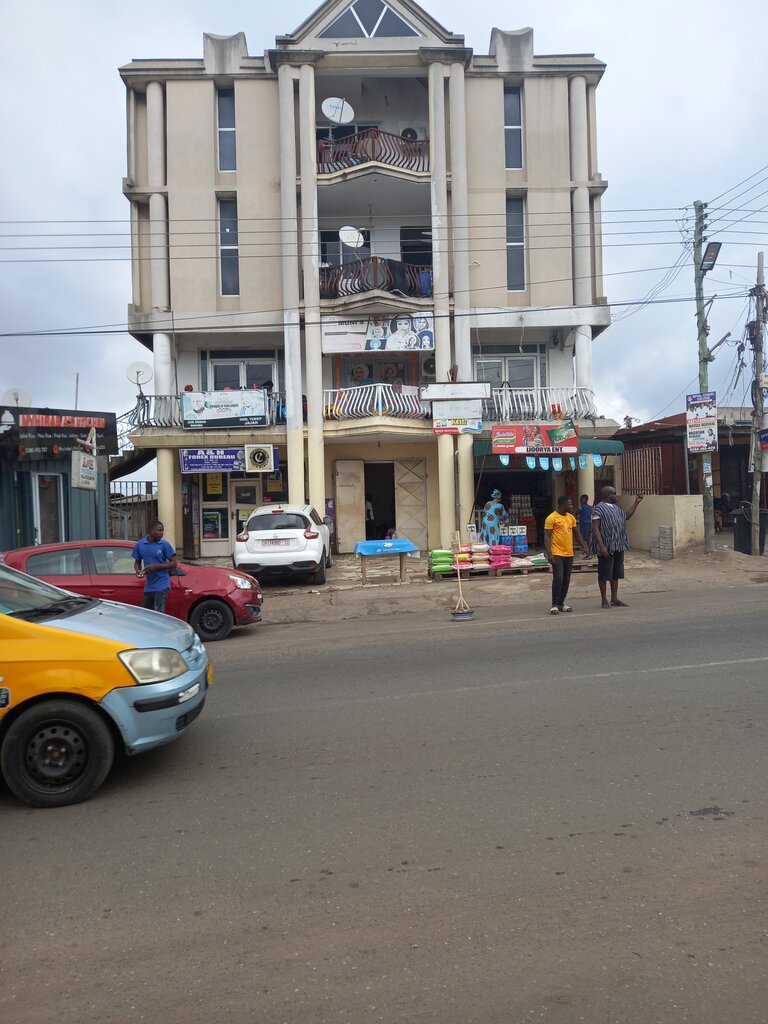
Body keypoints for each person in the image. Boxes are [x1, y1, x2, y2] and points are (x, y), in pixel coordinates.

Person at [590, 485, 644, 608]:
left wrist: (636, 502)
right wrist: (602, 546)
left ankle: (614, 599)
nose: (616, 495)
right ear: (608, 495)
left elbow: (627, 516)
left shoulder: (616, 508)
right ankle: (604, 599)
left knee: (615, 573)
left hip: (618, 546)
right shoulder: (598, 509)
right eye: (614, 493)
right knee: (604, 574)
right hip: (606, 548)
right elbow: (595, 529)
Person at [544, 495, 590, 615]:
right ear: (562, 505)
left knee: (566, 579)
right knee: (558, 578)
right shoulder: (552, 518)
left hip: (569, 553)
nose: (572, 506)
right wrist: (550, 554)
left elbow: (577, 533)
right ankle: (554, 604)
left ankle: (561, 603)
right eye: (569, 504)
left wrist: (584, 546)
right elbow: (547, 536)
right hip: (557, 552)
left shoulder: (571, 518)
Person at [132, 520, 177, 613]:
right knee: (146, 613)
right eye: (159, 530)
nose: (161, 533)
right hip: (149, 585)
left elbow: (173, 563)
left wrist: (156, 566)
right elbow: (137, 562)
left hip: (162, 584)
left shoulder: (164, 544)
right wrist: (138, 571)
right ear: (151, 530)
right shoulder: (140, 545)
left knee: (159, 613)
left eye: (162, 531)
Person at [578, 494, 593, 558]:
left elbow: (577, 512)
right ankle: (589, 552)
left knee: (584, 539)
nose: (580, 501)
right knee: (588, 538)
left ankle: (587, 553)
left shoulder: (581, 507)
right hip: (589, 523)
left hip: (584, 524)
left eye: (581, 500)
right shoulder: (590, 507)